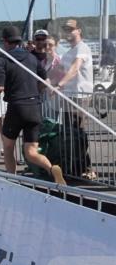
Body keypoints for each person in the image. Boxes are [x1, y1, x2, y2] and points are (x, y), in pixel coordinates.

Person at [0, 26, 64, 184]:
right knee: (31, 151)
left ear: (5, 41)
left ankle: (11, 178)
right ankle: (52, 169)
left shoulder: (2, 59)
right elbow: (44, 81)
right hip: (34, 107)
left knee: (8, 146)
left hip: (16, 107)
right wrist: (35, 92)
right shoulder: (32, 58)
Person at [52, 18, 95, 178]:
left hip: (79, 96)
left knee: (78, 132)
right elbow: (57, 71)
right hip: (68, 96)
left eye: (71, 29)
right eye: (65, 29)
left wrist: (60, 84)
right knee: (69, 133)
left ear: (79, 31)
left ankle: (87, 168)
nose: (67, 32)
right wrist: (43, 84)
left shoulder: (82, 48)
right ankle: (74, 167)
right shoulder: (69, 52)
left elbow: (75, 68)